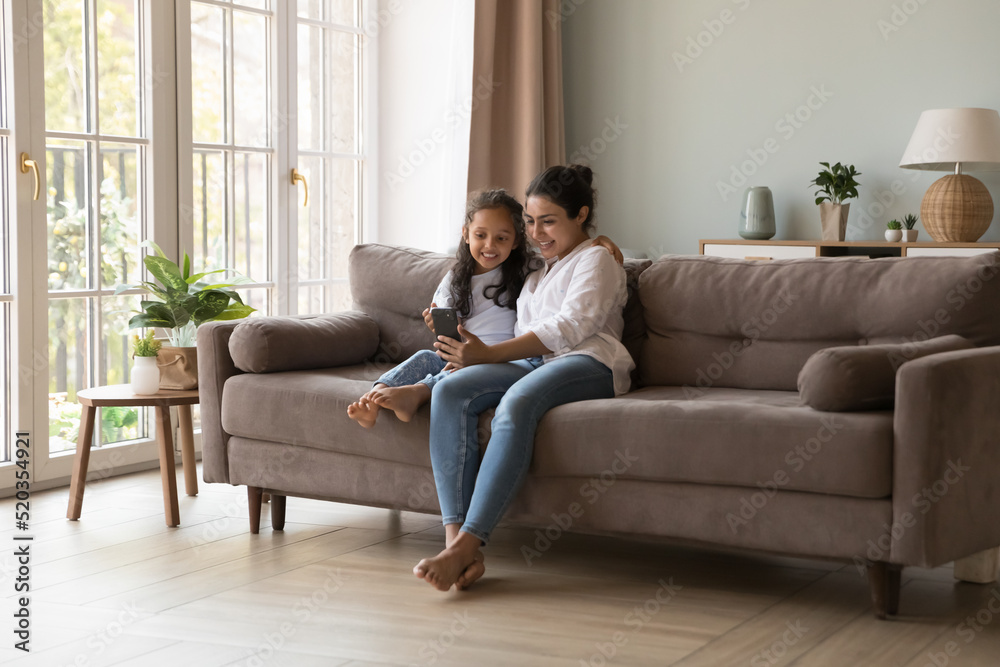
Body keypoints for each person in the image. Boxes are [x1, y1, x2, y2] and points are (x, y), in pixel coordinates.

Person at [414, 164, 634, 592]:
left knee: (515, 404)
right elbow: (498, 279)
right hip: (538, 363)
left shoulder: (598, 260)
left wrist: (490, 355)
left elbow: (568, 329)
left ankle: (470, 543)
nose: (537, 232)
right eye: (530, 222)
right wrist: (470, 346)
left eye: (548, 221)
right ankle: (456, 546)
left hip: (591, 362)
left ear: (581, 215)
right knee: (451, 389)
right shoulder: (538, 268)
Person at [347, 189, 622, 429]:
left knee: (456, 373)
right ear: (466, 235)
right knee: (424, 356)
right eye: (481, 235)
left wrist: (601, 241)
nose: (490, 246)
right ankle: (375, 396)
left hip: (502, 358)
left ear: (515, 241)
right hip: (461, 351)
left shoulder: (529, 268)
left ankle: (418, 393)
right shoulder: (455, 278)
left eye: (502, 239)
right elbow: (444, 318)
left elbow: (564, 257)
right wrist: (437, 324)